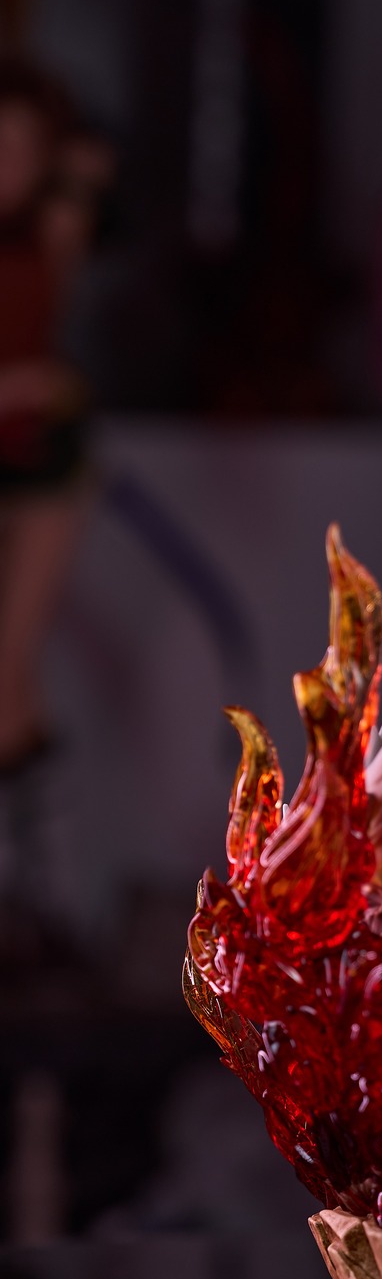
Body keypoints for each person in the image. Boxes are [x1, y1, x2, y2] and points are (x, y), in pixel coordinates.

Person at [0, 59, 108, 773]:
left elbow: (96, 164)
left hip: (36, 454)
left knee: (12, 671)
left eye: (23, 149)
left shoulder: (51, 228)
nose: (8, 164)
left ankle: (31, 814)